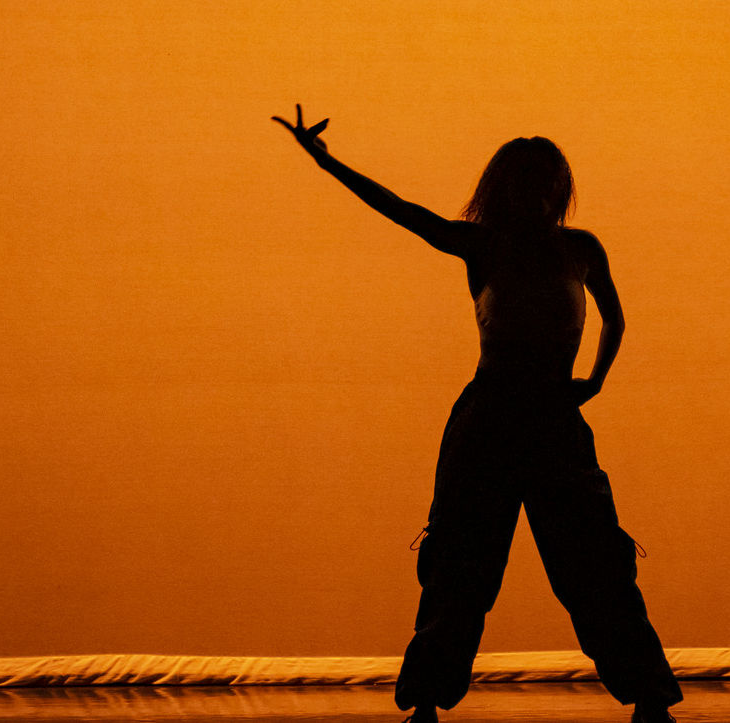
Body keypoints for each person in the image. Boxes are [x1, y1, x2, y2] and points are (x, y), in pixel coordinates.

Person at [272, 105, 682, 723]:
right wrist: (327, 163)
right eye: (525, 182)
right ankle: (428, 700)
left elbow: (616, 318)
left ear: (559, 189)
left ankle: (649, 695)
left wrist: (594, 380)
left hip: (553, 422)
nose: (539, 193)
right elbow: (402, 211)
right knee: (461, 563)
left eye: (549, 181)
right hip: (488, 421)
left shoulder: (582, 249)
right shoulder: (481, 244)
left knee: (594, 561)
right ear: (505, 190)